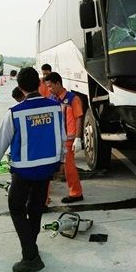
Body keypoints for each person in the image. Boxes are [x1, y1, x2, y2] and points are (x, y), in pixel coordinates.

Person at [0, 67, 65, 272]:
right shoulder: (55, 108)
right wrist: (61, 162)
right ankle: (32, 246)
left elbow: (2, 142)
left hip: (24, 170)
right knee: (35, 207)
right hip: (47, 168)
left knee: (16, 207)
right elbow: (62, 137)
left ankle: (30, 256)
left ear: (19, 87)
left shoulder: (15, 112)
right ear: (39, 84)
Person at [44, 72, 84, 203]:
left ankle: (76, 193)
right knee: (49, 168)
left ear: (58, 83)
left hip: (68, 140)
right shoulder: (52, 99)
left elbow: (79, 118)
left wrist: (78, 138)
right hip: (55, 140)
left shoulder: (73, 99)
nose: (49, 89)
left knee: (69, 168)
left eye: (50, 86)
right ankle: (44, 197)